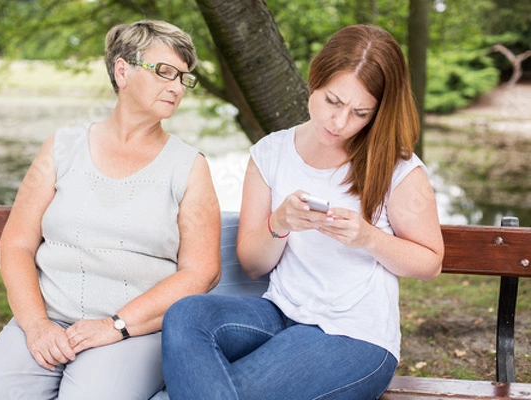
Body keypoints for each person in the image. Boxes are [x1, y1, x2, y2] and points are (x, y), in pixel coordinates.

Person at [161, 24, 444, 400]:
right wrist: (279, 223)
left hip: (355, 336)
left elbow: (430, 263)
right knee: (186, 316)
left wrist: (368, 237)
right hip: (279, 314)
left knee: (231, 392)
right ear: (315, 79)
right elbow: (253, 264)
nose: (340, 122)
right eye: (332, 101)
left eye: (360, 113)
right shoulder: (270, 153)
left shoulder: (397, 168)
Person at [0, 19, 220, 400]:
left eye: (184, 77)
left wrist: (116, 325)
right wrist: (36, 326)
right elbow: (16, 244)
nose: (177, 86)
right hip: (46, 319)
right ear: (122, 70)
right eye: (165, 72)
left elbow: (202, 271)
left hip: (133, 332)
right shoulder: (62, 147)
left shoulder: (188, 166)